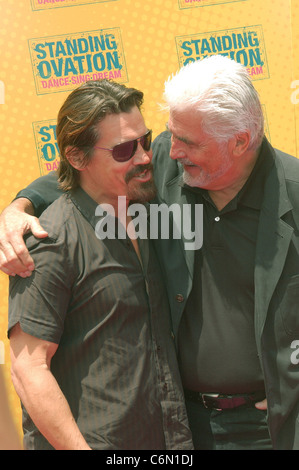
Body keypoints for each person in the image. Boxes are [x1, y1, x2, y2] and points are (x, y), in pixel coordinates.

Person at [1, 55, 299, 450]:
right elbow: (90, 176)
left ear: (240, 140)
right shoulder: (162, 166)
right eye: (168, 136)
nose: (165, 152)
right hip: (184, 426)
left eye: (186, 142)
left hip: (267, 427)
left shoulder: (292, 195)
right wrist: (20, 205)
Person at [6, 79, 193, 450]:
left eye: (145, 140)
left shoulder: (148, 209)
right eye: (124, 149)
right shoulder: (51, 239)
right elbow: (29, 369)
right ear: (77, 158)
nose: (143, 157)